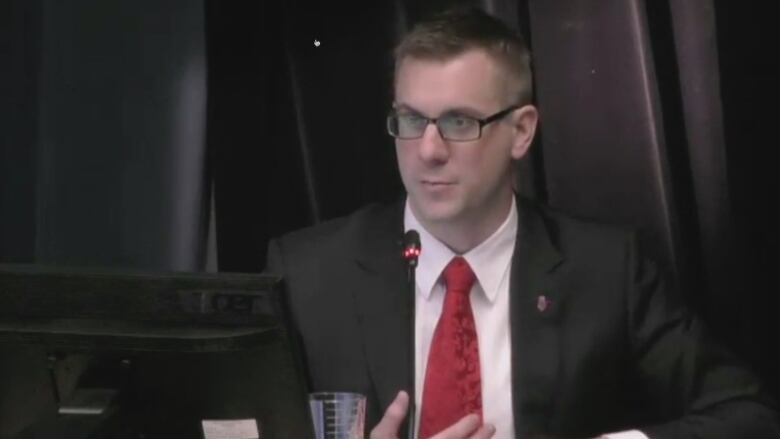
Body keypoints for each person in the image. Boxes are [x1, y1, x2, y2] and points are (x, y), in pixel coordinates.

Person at [265, 7, 780, 439]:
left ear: (521, 131)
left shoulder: (606, 269)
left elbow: (749, 417)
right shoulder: (310, 271)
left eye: (459, 122)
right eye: (411, 119)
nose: (427, 150)